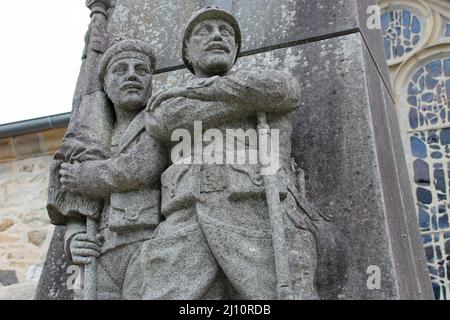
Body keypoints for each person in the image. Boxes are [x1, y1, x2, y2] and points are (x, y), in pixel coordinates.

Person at [141, 6, 324, 300]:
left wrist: (204, 90)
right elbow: (165, 119)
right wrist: (246, 100)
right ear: (187, 51)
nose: (217, 36)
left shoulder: (268, 83)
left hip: (258, 215)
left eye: (225, 32)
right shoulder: (169, 102)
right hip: (186, 221)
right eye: (205, 31)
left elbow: (284, 90)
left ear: (236, 48)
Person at [58, 39, 167, 300]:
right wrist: (73, 239)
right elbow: (75, 199)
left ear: (151, 81)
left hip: (146, 241)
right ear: (105, 84)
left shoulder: (159, 122)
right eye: (120, 70)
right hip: (99, 248)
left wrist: (85, 176)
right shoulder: (92, 138)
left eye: (140, 70)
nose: (131, 75)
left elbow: (138, 169)